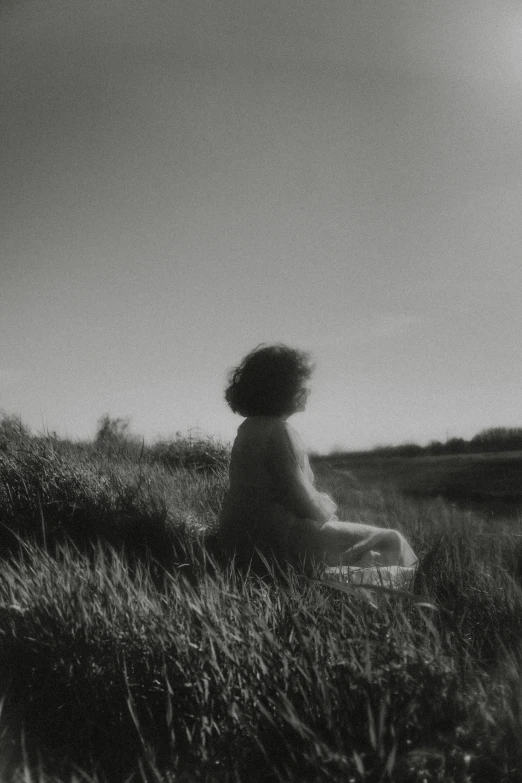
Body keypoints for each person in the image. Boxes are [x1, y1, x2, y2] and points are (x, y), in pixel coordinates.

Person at [218, 344, 417, 574]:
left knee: (344, 536)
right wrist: (327, 510)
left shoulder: (248, 429)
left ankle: (335, 577)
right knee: (391, 540)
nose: (309, 389)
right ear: (283, 387)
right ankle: (361, 588)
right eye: (304, 382)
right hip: (277, 540)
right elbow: (300, 499)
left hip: (237, 537)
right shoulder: (279, 432)